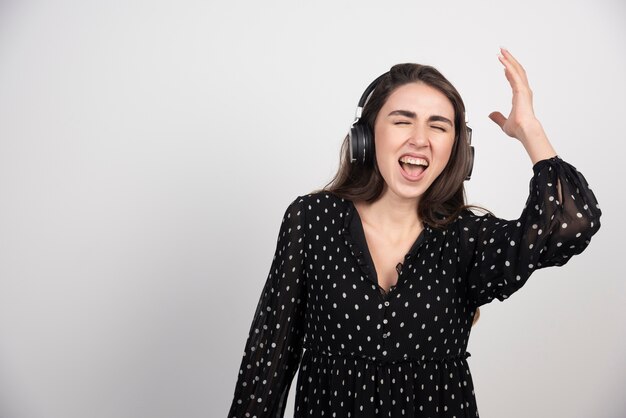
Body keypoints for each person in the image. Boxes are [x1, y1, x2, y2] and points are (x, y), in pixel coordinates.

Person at [226, 48, 601, 417]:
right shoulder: (313, 220)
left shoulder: (468, 239)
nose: (420, 139)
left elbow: (572, 223)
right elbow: (268, 359)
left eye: (438, 125)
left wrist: (529, 131)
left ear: (458, 149)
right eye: (402, 121)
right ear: (367, 136)